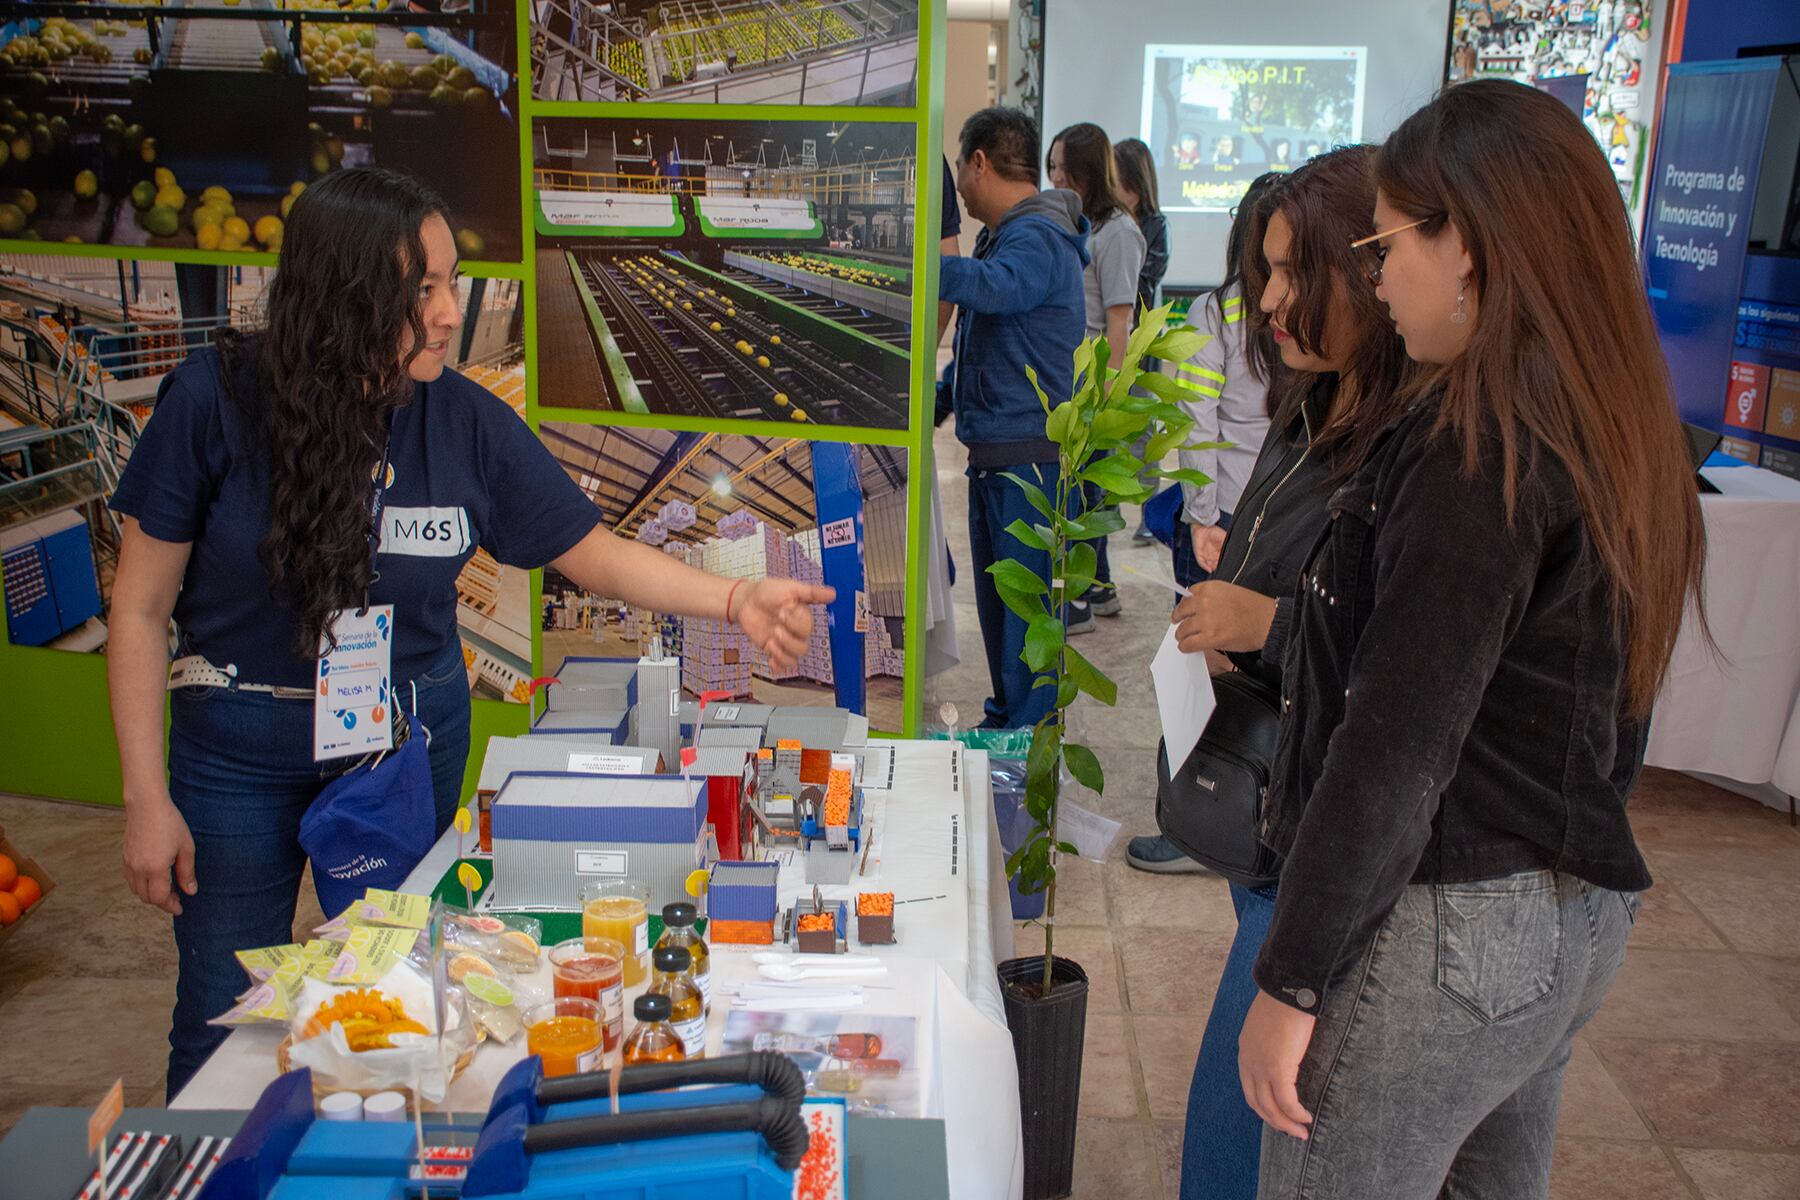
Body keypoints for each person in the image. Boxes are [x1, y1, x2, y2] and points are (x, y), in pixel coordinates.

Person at [109, 168, 833, 1098]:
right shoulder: (214, 403)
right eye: (424, 290)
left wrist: (734, 600)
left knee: (400, 991)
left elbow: (593, 553)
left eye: (453, 281)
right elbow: (136, 609)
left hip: (398, 750)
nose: (451, 312)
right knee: (220, 1010)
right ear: (346, 293)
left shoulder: (464, 423)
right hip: (235, 756)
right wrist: (142, 795)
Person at [1240, 80, 1705, 1199]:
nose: (1381, 274)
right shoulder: (1611, 420)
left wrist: (1291, 980)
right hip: (1570, 920)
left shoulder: (1472, 450)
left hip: (1450, 927)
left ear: (1474, 247)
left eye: (1389, 242)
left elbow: (1395, 748)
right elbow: (1614, 716)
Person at [1124, 169, 1285, 878]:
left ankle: (1201, 817)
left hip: (1223, 518)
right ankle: (1236, 813)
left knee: (1201, 661)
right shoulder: (1269, 316)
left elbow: (1195, 422)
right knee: (1251, 669)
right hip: (1267, 517)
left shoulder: (1217, 314)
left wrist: (1198, 517)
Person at [937, 107, 1089, 730]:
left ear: (979, 162)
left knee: (1026, 622)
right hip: (1000, 458)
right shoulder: (1004, 237)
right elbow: (985, 343)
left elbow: (995, 289)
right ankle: (1006, 725)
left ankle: (1026, 745)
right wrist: (938, 402)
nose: (963, 193)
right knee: (1004, 617)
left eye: (961, 173)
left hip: (1031, 464)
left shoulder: (1038, 237)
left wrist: (906, 257)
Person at [1046, 122, 1144, 625]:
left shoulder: (1119, 232)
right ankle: (1099, 589)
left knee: (1084, 490)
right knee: (1080, 485)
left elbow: (1119, 319)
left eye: (1062, 165)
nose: (1055, 174)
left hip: (1091, 379)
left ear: (1085, 169)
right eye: (1052, 164)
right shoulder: (1081, 222)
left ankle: (1080, 601)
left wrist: (1105, 394)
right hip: (1069, 373)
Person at [1112, 137, 1171, 546]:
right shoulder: (1108, 220)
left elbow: (1144, 277)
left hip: (1142, 338)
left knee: (1143, 427)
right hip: (1114, 336)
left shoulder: (1155, 224)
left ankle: (1148, 512)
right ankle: (1108, 504)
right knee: (1111, 422)